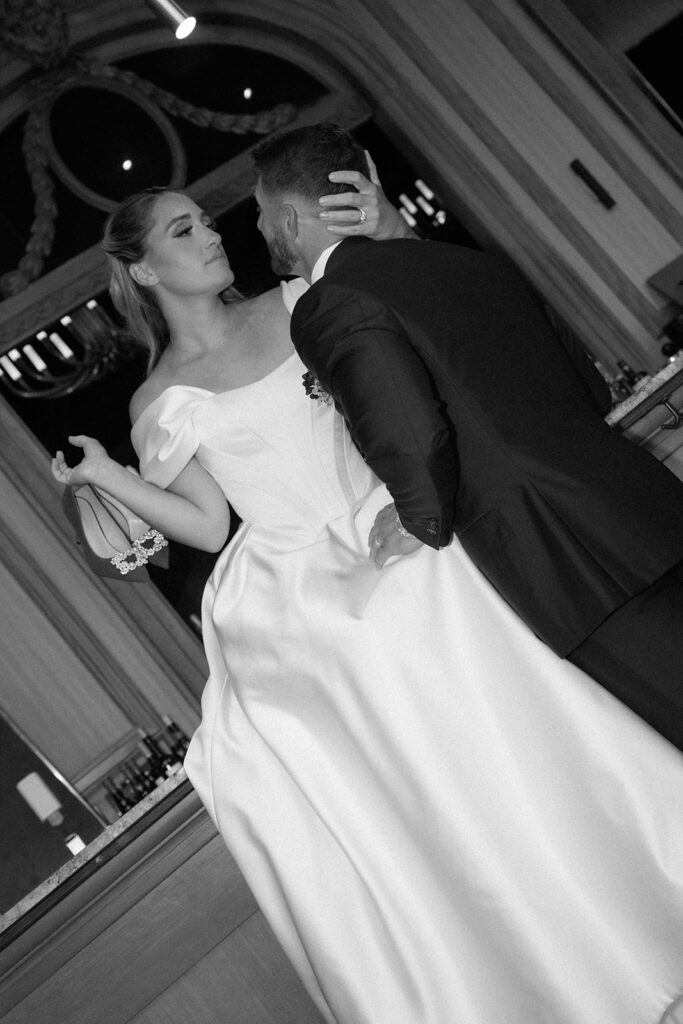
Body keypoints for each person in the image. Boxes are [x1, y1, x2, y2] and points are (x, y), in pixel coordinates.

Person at [52, 167, 683, 1024]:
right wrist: (109, 477)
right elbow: (206, 524)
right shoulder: (159, 396)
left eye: (206, 219)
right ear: (144, 270)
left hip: (399, 511)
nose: (211, 234)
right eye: (183, 230)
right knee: (389, 714)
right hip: (296, 567)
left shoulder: (297, 301)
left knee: (513, 694)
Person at [252, 121, 683, 757]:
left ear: (290, 219)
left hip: (568, 556)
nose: (260, 228)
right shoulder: (467, 260)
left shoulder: (330, 302)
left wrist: (419, 517)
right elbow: (590, 389)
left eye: (261, 214)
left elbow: (410, 432)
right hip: (643, 506)